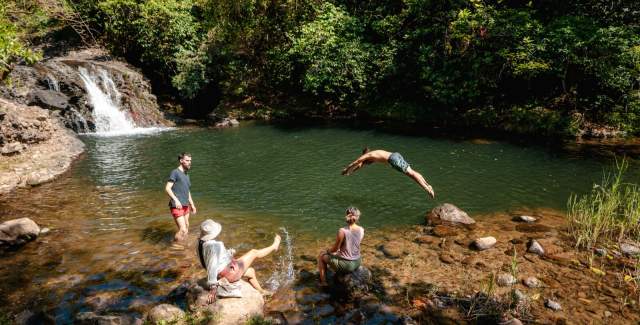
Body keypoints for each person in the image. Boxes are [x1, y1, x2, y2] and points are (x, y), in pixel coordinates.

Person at [197, 219, 281, 303]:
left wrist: (228, 253)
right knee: (254, 252)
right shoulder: (215, 245)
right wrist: (213, 288)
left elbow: (208, 260)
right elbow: (212, 266)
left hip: (221, 274)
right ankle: (274, 246)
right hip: (229, 274)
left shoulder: (200, 244)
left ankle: (261, 292)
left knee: (251, 272)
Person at [341, 148, 435, 199]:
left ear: (364, 154)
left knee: (411, 174)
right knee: (412, 171)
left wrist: (346, 169)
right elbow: (360, 165)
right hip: (396, 155)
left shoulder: (367, 156)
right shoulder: (373, 153)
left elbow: (356, 162)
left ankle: (427, 188)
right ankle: (427, 185)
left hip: (393, 159)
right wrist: (351, 172)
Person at [317, 206, 365, 286]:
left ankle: (323, 282)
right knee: (337, 254)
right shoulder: (361, 229)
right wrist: (339, 253)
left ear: (346, 216)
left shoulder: (342, 231)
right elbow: (352, 246)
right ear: (357, 217)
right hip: (357, 261)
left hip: (347, 265)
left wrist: (327, 251)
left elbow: (335, 249)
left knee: (321, 256)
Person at [165, 152, 197, 242]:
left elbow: (187, 191)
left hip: (186, 205)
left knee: (186, 226)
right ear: (181, 161)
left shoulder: (187, 174)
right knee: (183, 229)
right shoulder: (175, 172)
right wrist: (176, 200)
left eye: (190, 160)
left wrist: (192, 204)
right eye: (187, 160)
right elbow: (167, 188)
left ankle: (182, 245)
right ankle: (175, 246)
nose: (189, 162)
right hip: (176, 205)